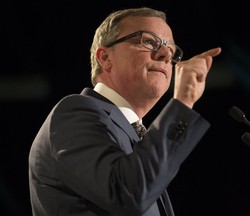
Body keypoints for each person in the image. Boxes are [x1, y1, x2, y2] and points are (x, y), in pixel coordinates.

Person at [28, 6, 221, 216]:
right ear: (105, 58)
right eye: (148, 41)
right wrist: (182, 103)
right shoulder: (73, 113)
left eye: (172, 51)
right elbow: (128, 194)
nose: (166, 55)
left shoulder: (137, 136)